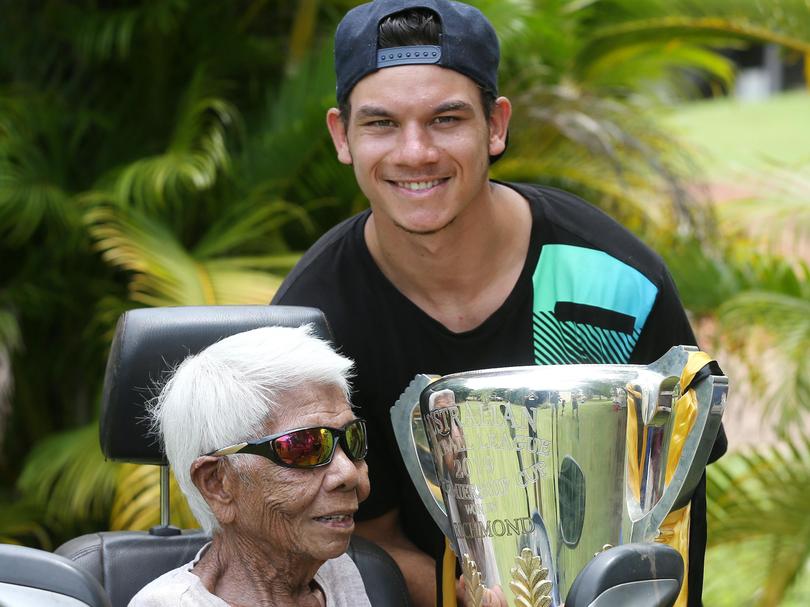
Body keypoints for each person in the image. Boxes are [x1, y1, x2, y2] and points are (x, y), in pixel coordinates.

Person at [272, 0, 727, 605]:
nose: (415, 153)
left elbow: (671, 509)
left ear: (495, 125)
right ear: (342, 135)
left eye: (445, 120)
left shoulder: (610, 282)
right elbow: (355, 538)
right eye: (381, 123)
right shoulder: (316, 324)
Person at [128, 325, 372, 607]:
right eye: (305, 446)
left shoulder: (336, 572)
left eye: (353, 438)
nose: (349, 473)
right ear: (217, 484)